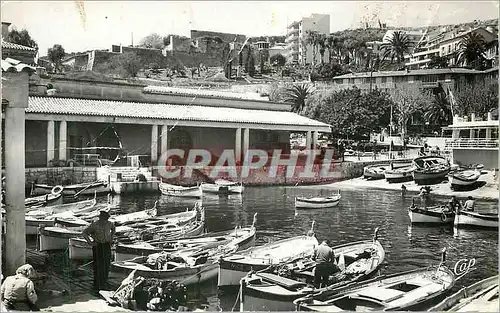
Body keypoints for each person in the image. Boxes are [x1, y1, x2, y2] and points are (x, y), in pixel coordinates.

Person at [82, 210, 116, 293]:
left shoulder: (109, 224)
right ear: (100, 218)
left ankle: (105, 281)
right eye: (104, 218)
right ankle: (97, 284)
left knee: (106, 264)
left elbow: (113, 229)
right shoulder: (94, 225)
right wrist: (90, 242)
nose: (105, 220)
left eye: (106, 218)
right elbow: (84, 233)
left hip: (107, 245)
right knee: (98, 265)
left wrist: (111, 238)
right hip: (98, 246)